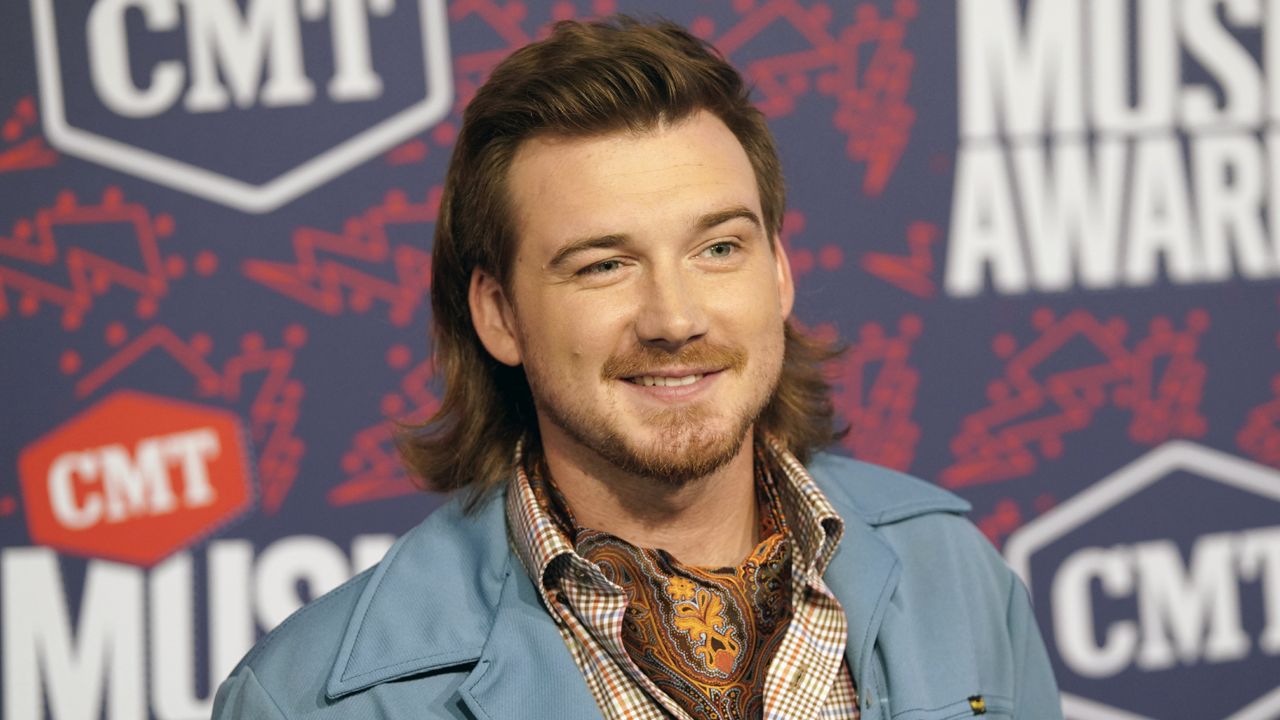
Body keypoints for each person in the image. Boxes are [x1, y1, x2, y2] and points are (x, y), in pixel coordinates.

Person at [213, 17, 1062, 720]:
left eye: (719, 247)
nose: (675, 319)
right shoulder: (316, 699)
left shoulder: (957, 573)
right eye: (602, 265)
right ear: (499, 314)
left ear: (778, 272)